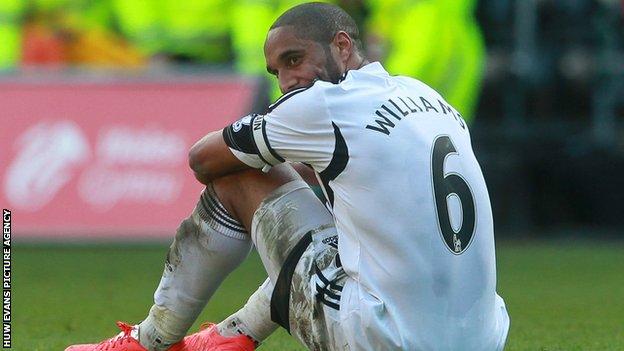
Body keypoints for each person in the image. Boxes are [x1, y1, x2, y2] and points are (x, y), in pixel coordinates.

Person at [65, 3, 509, 351]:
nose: (287, 81)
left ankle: (151, 340)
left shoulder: (321, 105)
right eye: (276, 71)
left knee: (237, 177)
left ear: (342, 46)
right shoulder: (422, 92)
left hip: (384, 339)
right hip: (484, 336)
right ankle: (229, 335)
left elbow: (202, 160)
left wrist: (266, 152)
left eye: (294, 59)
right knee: (334, 226)